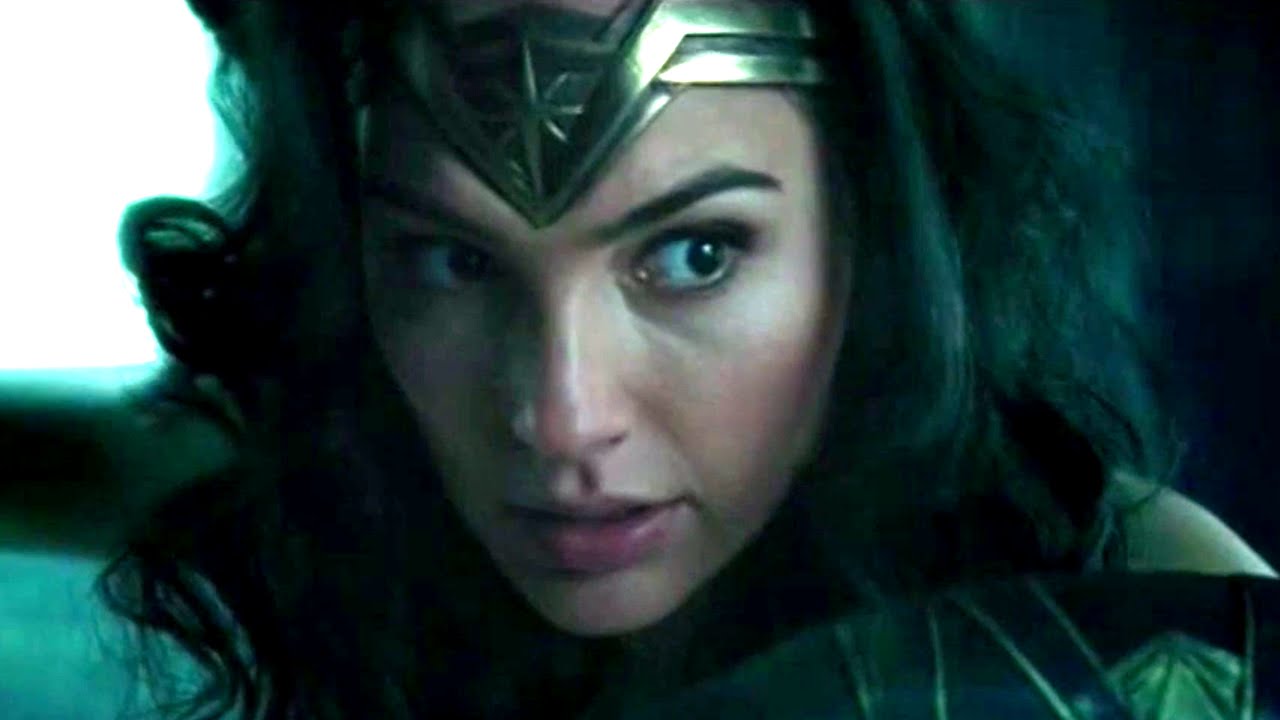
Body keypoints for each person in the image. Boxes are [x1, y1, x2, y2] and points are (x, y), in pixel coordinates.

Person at [13, 0, 1261, 717]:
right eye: (453, 263)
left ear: (869, 243)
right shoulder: (321, 485)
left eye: (694, 256)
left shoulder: (1139, 605)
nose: (558, 419)